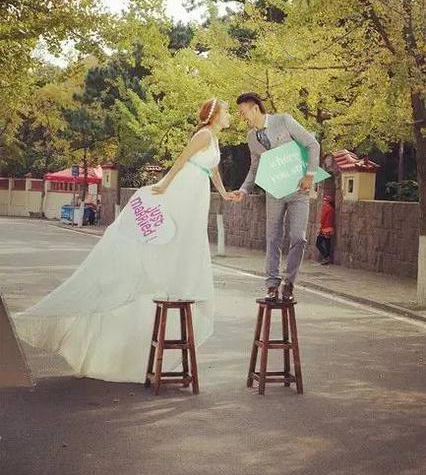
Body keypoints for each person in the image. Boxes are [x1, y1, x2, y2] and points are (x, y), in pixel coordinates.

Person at [16, 99, 232, 383]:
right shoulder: (203, 135)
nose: (229, 116)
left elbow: (213, 170)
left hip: (197, 193)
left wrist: (225, 193)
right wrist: (164, 185)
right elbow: (181, 161)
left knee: (187, 240)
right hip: (185, 190)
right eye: (226, 111)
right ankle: (162, 274)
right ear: (215, 115)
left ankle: (177, 277)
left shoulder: (213, 138)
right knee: (169, 236)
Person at [231, 92, 320, 302]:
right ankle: (271, 284)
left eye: (243, 112)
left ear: (255, 108)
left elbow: (312, 145)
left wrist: (310, 175)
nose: (241, 117)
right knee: (272, 238)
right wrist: (243, 190)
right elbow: (255, 167)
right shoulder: (251, 138)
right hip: (274, 191)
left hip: (299, 190)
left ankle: (289, 282)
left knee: (298, 237)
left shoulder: (283, 121)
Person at [316, 195, 335, 265]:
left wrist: (320, 227)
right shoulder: (332, 209)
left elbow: (322, 219)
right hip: (330, 228)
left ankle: (326, 256)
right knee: (327, 244)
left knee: (318, 243)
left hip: (324, 228)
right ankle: (327, 257)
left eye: (324, 200)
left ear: (327, 202)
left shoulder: (326, 208)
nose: (323, 202)